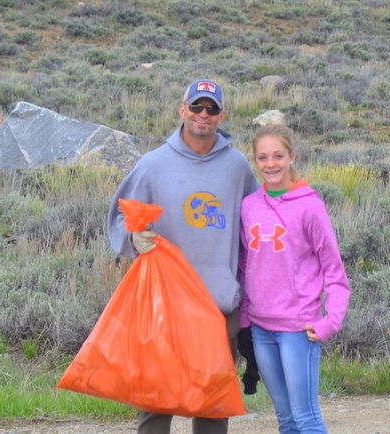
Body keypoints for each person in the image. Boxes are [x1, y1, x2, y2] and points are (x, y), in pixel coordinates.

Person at [107, 79, 259, 434]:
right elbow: (117, 215)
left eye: (211, 109)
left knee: (211, 409)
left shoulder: (237, 167)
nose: (202, 115)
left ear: (222, 115)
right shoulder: (153, 163)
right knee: (156, 408)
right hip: (165, 308)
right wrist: (134, 237)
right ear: (182, 110)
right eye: (196, 107)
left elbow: (257, 219)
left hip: (219, 306)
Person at [239, 124, 351, 433]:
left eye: (278, 155)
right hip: (262, 329)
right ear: (255, 161)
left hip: (298, 330)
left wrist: (331, 321)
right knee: (285, 419)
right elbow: (248, 266)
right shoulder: (249, 206)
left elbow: (335, 272)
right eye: (262, 157)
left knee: (306, 419)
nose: (270, 164)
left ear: (291, 156)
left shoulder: (310, 206)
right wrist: (246, 321)